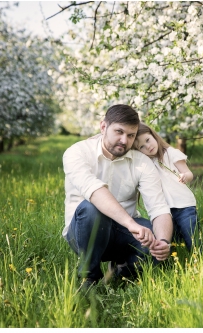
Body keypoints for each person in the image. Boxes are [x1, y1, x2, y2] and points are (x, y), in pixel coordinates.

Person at [62, 104, 173, 291]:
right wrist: (131, 224)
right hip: (83, 231)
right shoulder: (77, 153)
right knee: (91, 209)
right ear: (103, 127)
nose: (124, 140)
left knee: (154, 240)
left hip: (123, 231)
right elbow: (95, 191)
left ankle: (123, 269)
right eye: (119, 132)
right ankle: (88, 278)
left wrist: (163, 242)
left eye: (131, 135)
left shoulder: (142, 162)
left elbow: (159, 207)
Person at [133, 122, 198, 252]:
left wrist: (185, 176)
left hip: (183, 205)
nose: (148, 146)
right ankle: (176, 261)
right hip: (164, 210)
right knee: (172, 240)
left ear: (153, 135)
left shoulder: (170, 153)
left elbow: (189, 173)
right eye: (142, 147)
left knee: (191, 236)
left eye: (148, 140)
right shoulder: (145, 164)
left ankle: (202, 257)